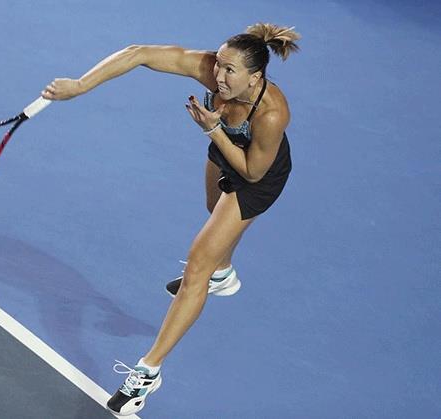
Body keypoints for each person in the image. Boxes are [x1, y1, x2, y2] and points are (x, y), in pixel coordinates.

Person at [42, 22, 300, 416]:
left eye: (230, 70)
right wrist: (80, 85)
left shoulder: (271, 114)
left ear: (255, 77)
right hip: (224, 146)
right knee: (214, 210)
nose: (218, 74)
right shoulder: (214, 71)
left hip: (257, 177)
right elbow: (139, 53)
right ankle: (223, 272)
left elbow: (251, 172)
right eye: (219, 64)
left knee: (196, 268)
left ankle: (148, 372)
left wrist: (214, 129)